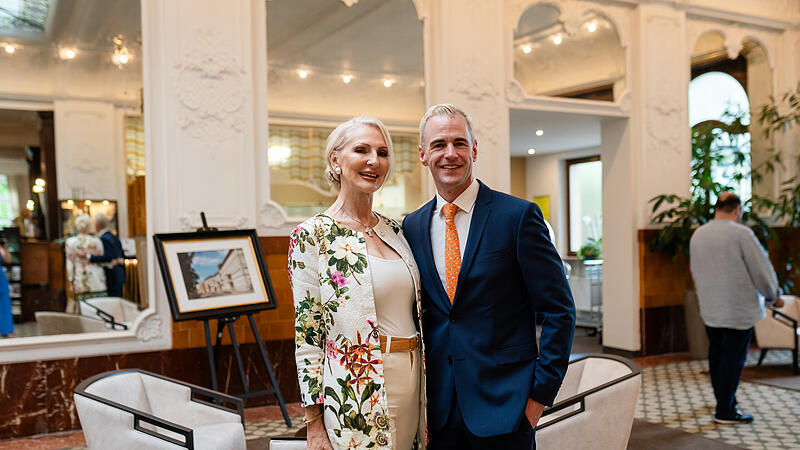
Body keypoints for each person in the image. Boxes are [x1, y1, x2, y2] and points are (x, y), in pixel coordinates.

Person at [402, 104, 575, 449]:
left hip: (507, 409)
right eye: (438, 145)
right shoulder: (412, 226)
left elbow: (559, 311)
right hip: (438, 411)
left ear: (474, 149)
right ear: (423, 155)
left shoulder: (518, 216)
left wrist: (537, 400)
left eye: (459, 143)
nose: (450, 154)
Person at [288, 116, 426, 450]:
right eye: (361, 150)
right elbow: (308, 336)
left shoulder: (398, 231)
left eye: (382, 152)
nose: (373, 161)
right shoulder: (311, 235)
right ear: (335, 160)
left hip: (416, 379)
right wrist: (314, 424)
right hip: (355, 386)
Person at [689, 191, 783, 424]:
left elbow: (695, 271)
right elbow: (761, 270)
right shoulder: (742, 234)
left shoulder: (698, 234)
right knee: (733, 358)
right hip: (737, 308)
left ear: (716, 208)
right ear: (737, 209)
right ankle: (725, 410)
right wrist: (773, 296)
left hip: (710, 307)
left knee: (717, 355)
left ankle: (725, 401)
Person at [65, 215, 107, 311]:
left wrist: (71, 280)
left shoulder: (71, 242)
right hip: (96, 276)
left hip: (79, 277)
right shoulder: (96, 241)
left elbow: (70, 264)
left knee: (83, 307)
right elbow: (102, 260)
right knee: (97, 307)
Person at [88, 214, 126, 297]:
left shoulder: (104, 239)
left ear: (97, 225)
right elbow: (121, 254)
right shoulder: (114, 237)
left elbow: (108, 257)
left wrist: (90, 257)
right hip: (119, 273)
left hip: (111, 275)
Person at [0, 238, 14, 338]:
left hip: (1, 278)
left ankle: (7, 330)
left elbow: (8, 259)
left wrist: (4, 247)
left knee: (4, 304)